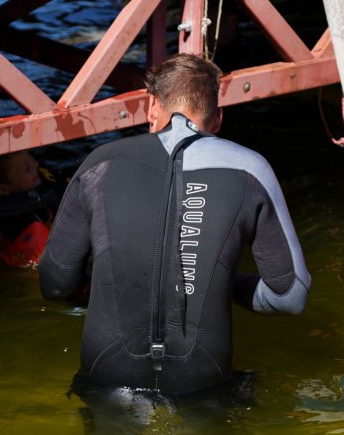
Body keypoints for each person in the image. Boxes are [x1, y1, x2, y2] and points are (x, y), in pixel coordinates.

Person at [38, 53, 310, 398]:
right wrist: (219, 279)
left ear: (151, 107)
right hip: (203, 378)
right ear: (218, 118)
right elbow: (288, 296)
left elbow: (54, 282)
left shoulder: (100, 164)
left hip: (108, 376)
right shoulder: (250, 168)